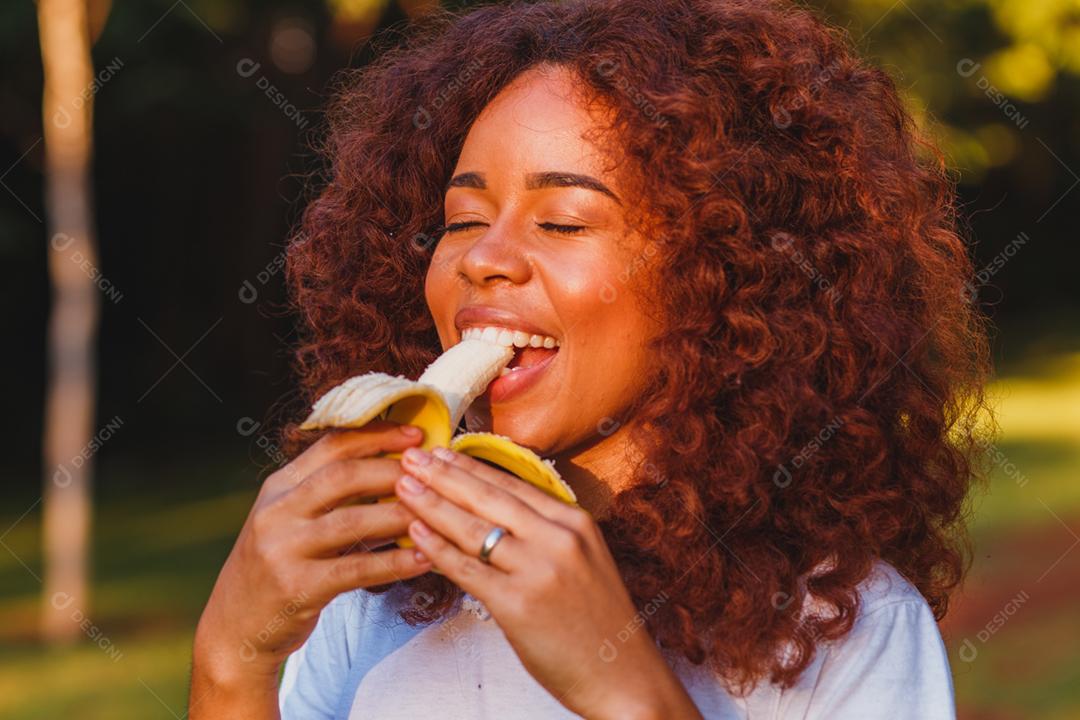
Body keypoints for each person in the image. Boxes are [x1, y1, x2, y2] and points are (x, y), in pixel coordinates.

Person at [189, 0, 992, 717]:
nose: (484, 260)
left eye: (563, 222)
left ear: (723, 275)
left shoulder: (843, 630)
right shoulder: (371, 599)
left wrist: (619, 688)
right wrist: (233, 660)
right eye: (463, 219)